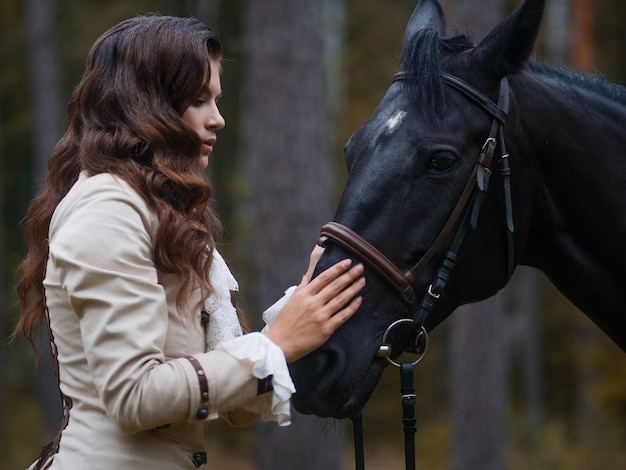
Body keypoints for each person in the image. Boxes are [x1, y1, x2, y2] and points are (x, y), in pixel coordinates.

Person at [12, 15, 365, 470]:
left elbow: (235, 405)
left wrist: (304, 305)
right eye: (199, 100)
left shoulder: (156, 210)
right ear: (145, 105)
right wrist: (276, 344)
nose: (217, 119)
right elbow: (135, 396)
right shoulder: (107, 210)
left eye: (216, 98)